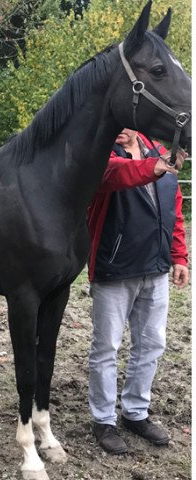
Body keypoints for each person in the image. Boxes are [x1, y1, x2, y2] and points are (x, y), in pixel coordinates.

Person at [86, 128, 189, 455]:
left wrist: (179, 256)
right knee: (106, 348)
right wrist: (154, 166)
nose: (124, 125)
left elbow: (173, 211)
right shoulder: (103, 155)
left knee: (152, 344)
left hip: (156, 269)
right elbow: (112, 175)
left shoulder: (159, 153)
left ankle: (135, 412)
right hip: (114, 270)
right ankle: (103, 420)